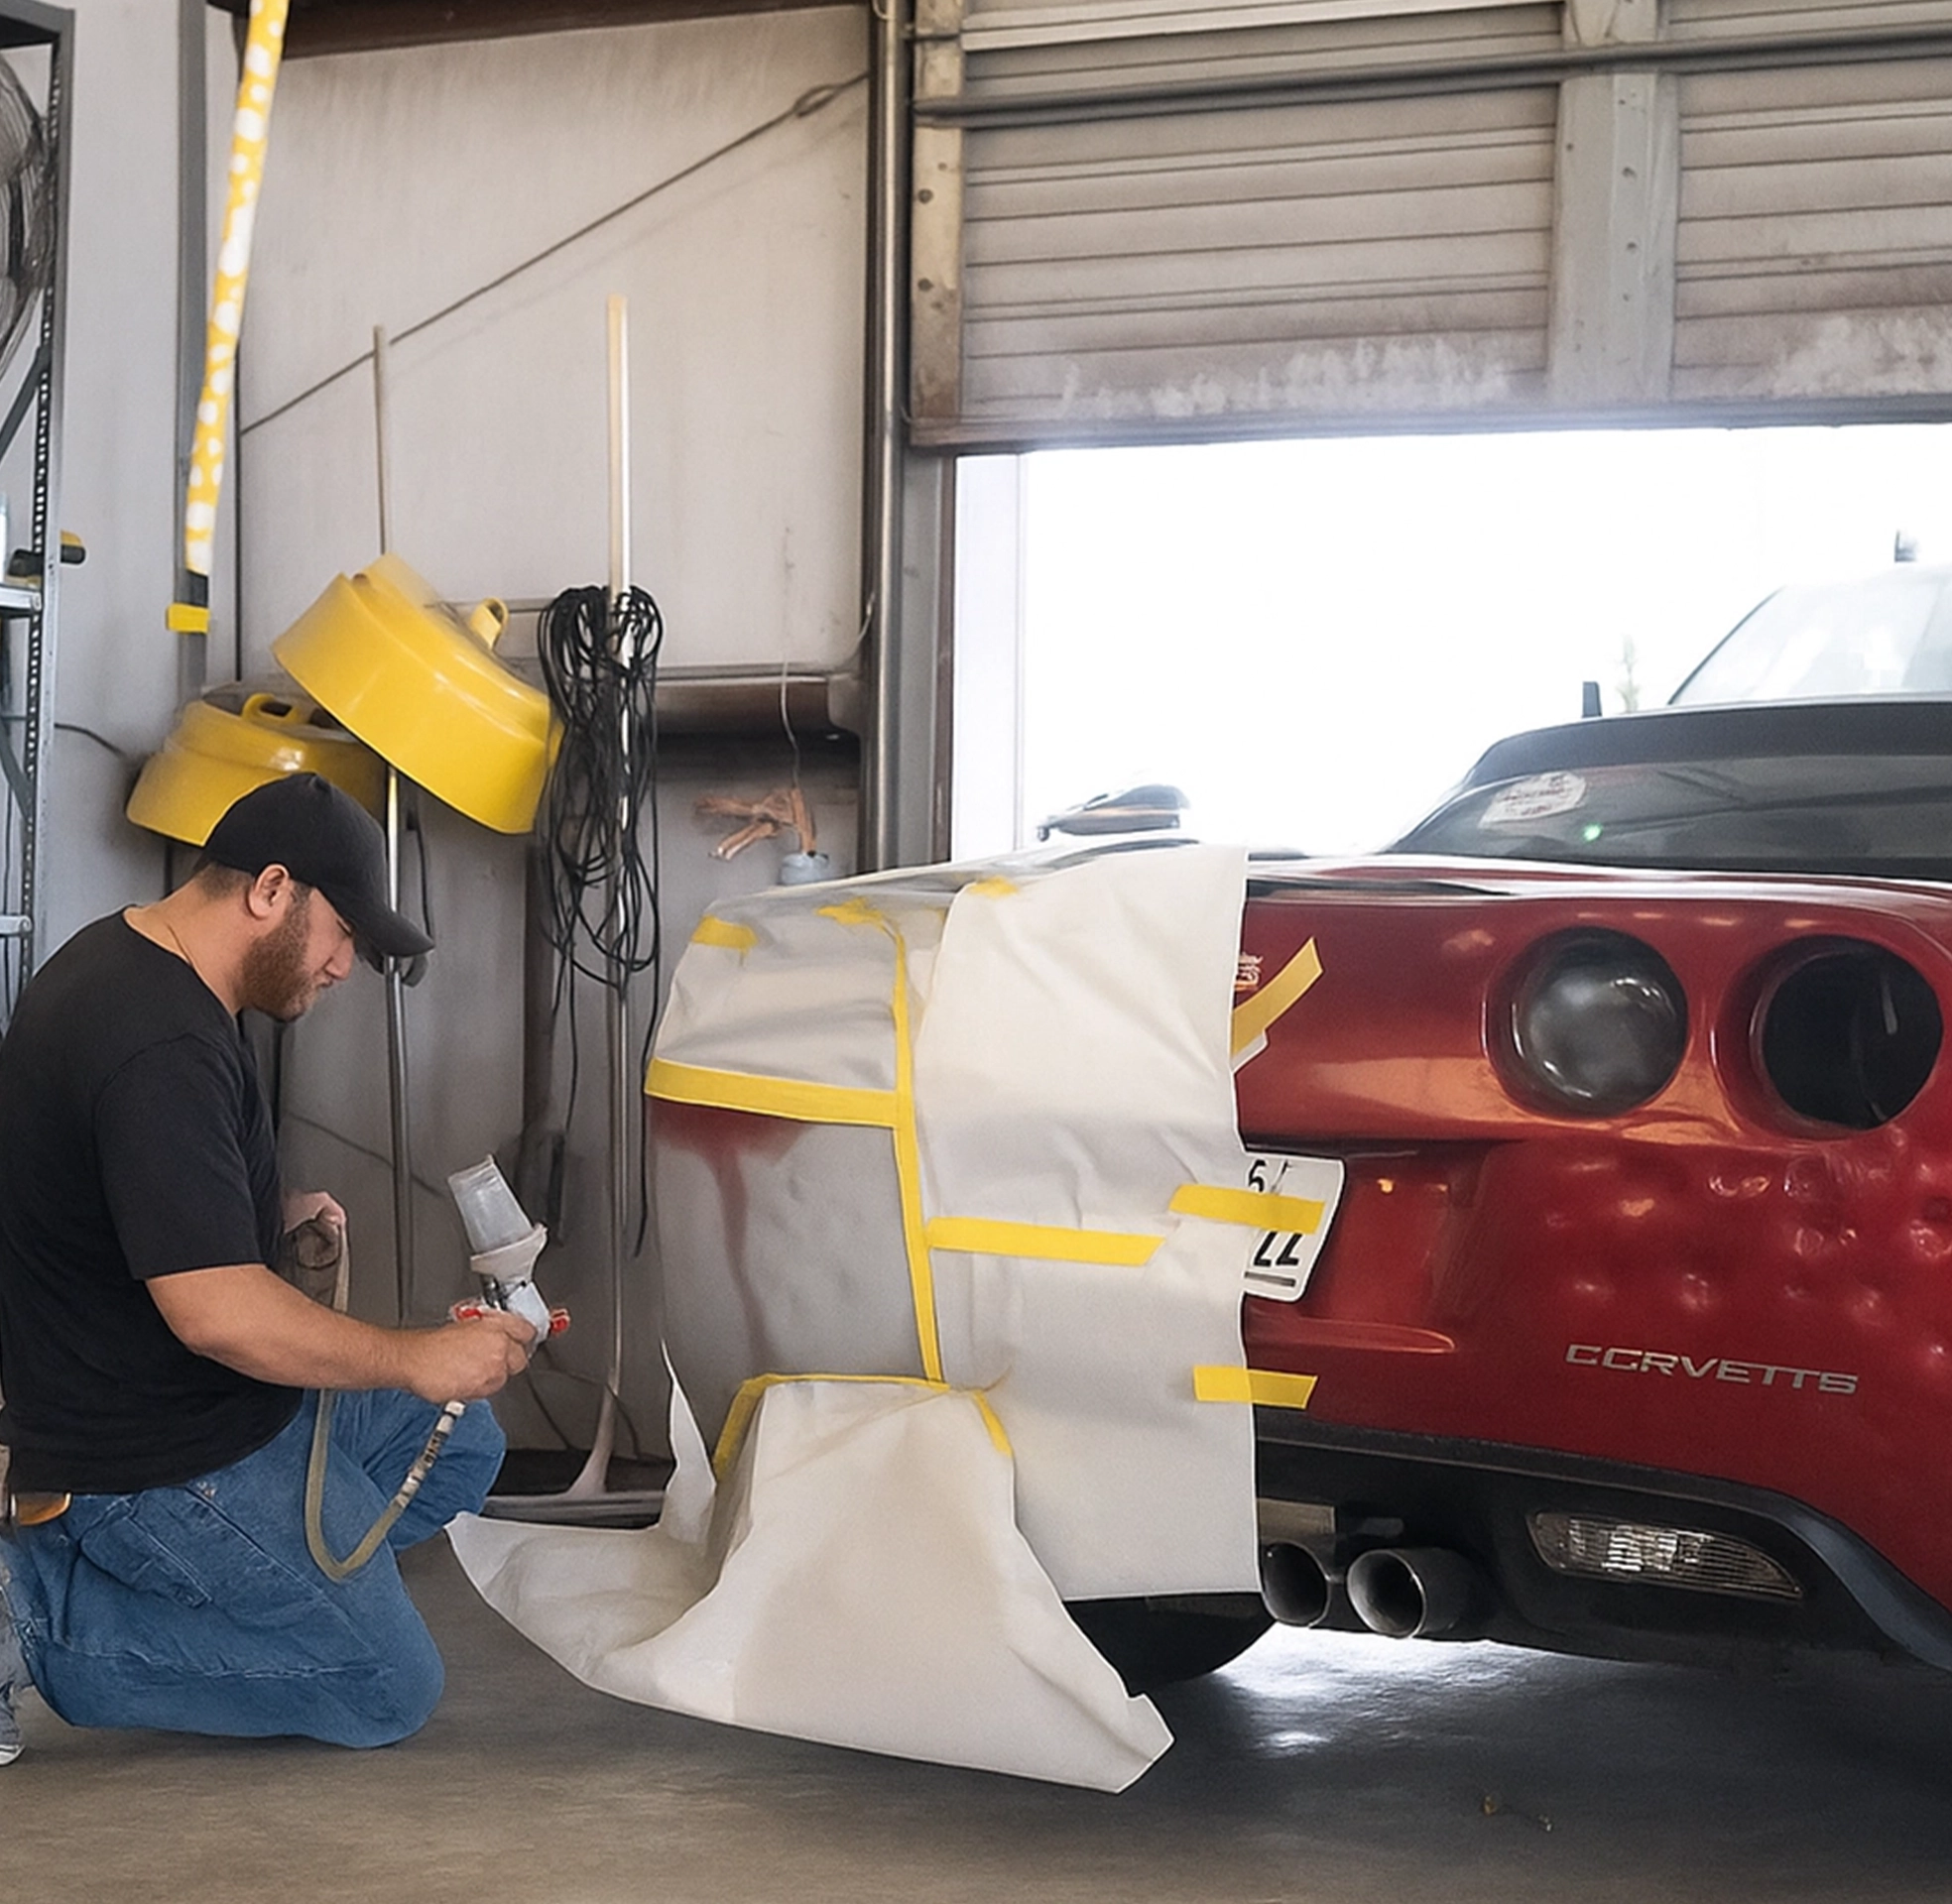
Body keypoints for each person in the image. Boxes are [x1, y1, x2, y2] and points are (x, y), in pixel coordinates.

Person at [0, 772, 536, 1763]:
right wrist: (418, 1359)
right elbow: (218, 1316)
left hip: (214, 1405)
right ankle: (29, 1617)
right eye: (344, 934)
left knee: (463, 1444)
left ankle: (264, 1596)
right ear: (272, 889)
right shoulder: (154, 1037)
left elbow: (127, 1187)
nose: (345, 966)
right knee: (385, 1687)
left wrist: (259, 1211)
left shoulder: (139, 968)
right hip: (153, 1460)